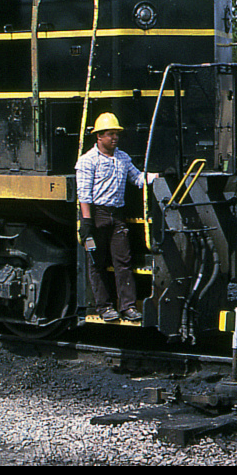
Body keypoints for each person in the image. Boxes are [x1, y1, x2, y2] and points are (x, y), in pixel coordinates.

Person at [75, 112, 145, 322]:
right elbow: (84, 194)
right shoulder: (87, 161)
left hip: (117, 215)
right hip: (97, 215)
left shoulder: (123, 158)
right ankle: (104, 307)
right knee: (97, 262)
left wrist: (158, 176)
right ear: (99, 136)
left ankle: (127, 306)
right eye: (110, 134)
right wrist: (87, 222)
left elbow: (137, 178)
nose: (115, 138)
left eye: (116, 134)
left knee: (123, 261)